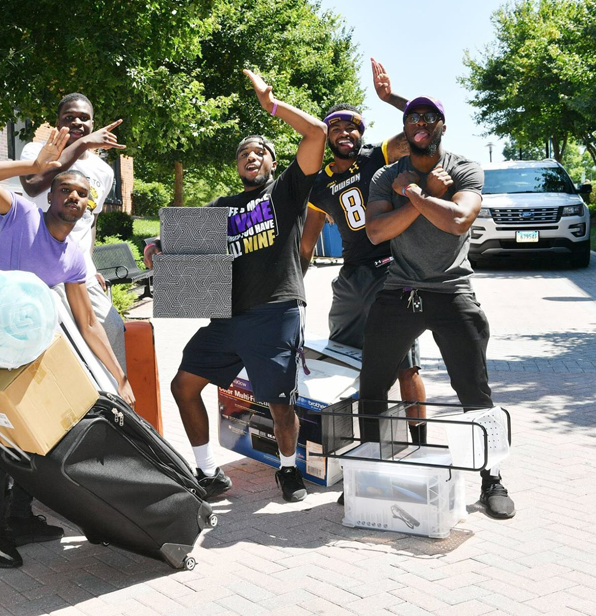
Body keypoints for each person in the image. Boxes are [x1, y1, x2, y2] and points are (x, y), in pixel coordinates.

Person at [145, 69, 327, 503]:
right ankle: (208, 472)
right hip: (228, 316)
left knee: (280, 404)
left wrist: (273, 105)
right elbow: (174, 243)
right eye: (245, 152)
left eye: (260, 151)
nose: (252, 156)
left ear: (272, 162)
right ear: (237, 165)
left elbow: (317, 133)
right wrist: (156, 246)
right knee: (183, 385)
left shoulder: (285, 192)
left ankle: (287, 470)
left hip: (276, 312)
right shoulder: (221, 208)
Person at [0, 125, 137, 568]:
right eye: (64, 189)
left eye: (82, 194)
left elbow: (88, 323)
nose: (73, 197)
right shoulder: (22, 216)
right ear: (51, 195)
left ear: (88, 206)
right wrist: (36, 166)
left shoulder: (74, 256)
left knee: (42, 427)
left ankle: (20, 517)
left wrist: (120, 378)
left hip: (24, 347)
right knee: (1, 438)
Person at [361, 96, 516, 520]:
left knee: (475, 392)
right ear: (405, 126)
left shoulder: (465, 168)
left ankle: (493, 478)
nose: (420, 123)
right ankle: (369, 475)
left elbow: (458, 220)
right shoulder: (384, 176)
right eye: (413, 117)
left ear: (442, 126)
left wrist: (410, 194)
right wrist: (424, 196)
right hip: (400, 290)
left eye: (429, 117)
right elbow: (376, 232)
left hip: (452, 290)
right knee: (371, 387)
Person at [299, 59, 427, 452]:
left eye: (351, 126)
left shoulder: (378, 156)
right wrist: (294, 291)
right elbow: (307, 244)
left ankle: (419, 445)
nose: (344, 132)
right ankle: (358, 451)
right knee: (344, 361)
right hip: (351, 277)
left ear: (361, 133)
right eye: (335, 127)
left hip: (391, 270)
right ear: (327, 136)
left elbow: (422, 130)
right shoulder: (318, 185)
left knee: (406, 366)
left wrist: (391, 98)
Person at [19, 94, 128, 371]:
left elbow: (90, 219)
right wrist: (80, 146)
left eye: (84, 118)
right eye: (69, 117)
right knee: (59, 344)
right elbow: (32, 185)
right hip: (39, 269)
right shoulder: (37, 151)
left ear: (93, 122)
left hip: (78, 271)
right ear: (58, 122)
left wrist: (89, 263)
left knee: (111, 328)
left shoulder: (103, 171)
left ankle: (116, 400)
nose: (77, 122)